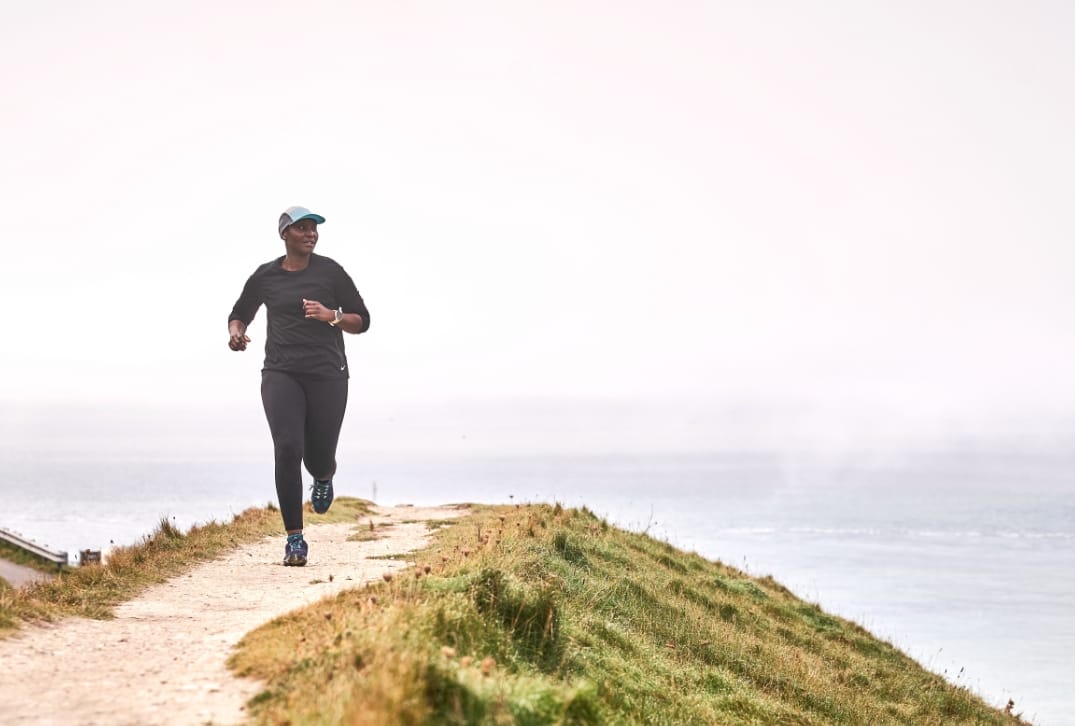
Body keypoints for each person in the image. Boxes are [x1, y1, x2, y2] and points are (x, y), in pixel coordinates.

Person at [227, 206, 370, 566]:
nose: (310, 233)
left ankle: (323, 475)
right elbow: (240, 312)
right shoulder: (266, 277)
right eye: (302, 228)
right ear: (285, 234)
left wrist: (331, 316)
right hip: (281, 372)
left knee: (317, 456)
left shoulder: (330, 272)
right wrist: (236, 334)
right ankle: (295, 539)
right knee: (288, 447)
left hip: (328, 374)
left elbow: (362, 320)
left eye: (313, 229)